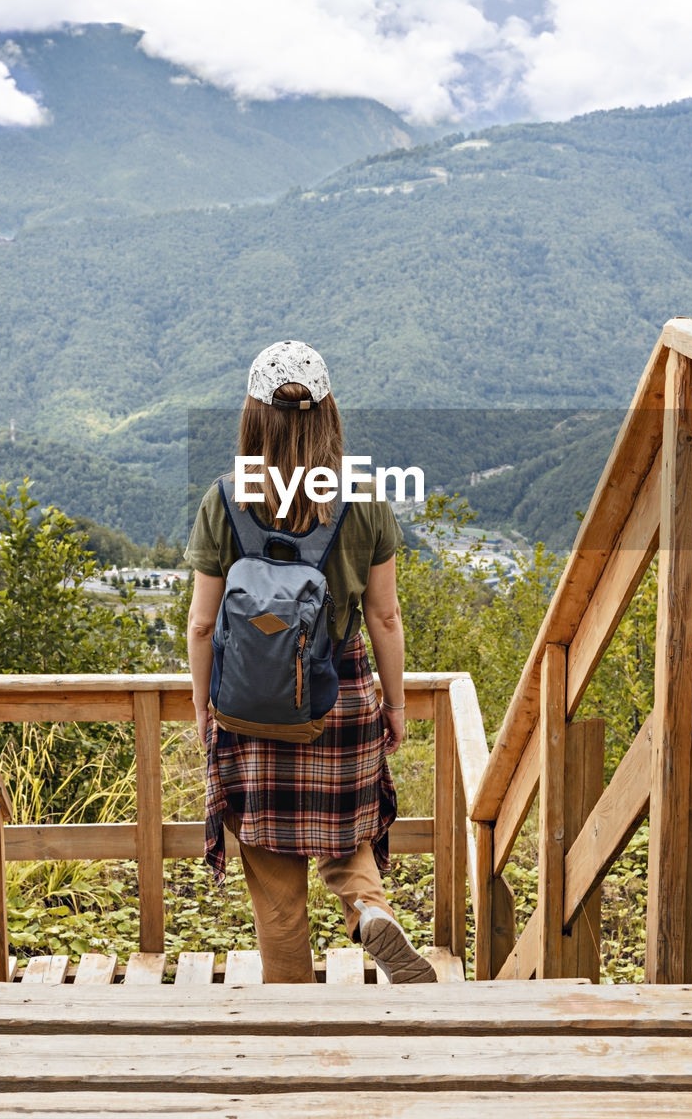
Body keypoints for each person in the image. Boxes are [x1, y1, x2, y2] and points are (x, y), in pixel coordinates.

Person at [185, 339, 437, 984]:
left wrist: (203, 710)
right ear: (328, 412)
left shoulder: (226, 497)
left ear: (252, 414)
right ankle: (367, 909)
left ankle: (290, 1016)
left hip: (248, 705)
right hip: (340, 696)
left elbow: (204, 623)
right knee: (345, 831)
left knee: (275, 882)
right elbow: (384, 616)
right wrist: (398, 703)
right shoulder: (364, 496)